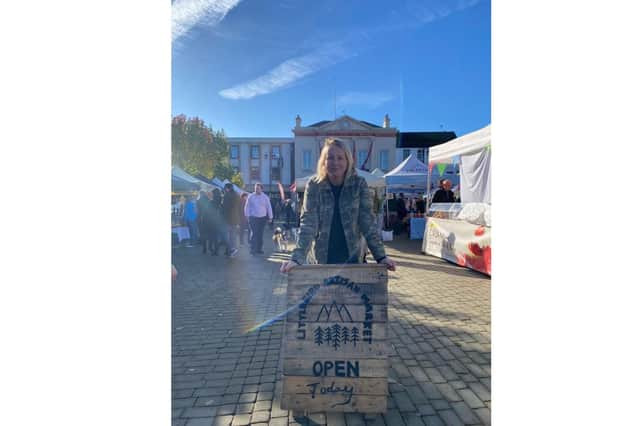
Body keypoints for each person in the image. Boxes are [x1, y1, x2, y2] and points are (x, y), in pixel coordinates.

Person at [280, 138, 396, 272]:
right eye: (330, 158)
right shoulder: (314, 185)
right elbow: (308, 224)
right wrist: (296, 258)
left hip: (352, 259)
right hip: (322, 259)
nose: (335, 162)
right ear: (323, 161)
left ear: (348, 161)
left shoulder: (359, 184)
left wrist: (381, 257)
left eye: (340, 158)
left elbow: (368, 223)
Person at [244, 183, 273, 255]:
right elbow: (247, 207)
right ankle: (253, 249)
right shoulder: (250, 196)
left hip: (262, 218)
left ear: (261, 189)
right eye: (255, 188)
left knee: (260, 234)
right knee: (254, 233)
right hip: (253, 218)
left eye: (258, 188)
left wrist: (270, 217)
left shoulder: (265, 197)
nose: (256, 190)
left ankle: (259, 249)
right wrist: (246, 215)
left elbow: (269, 207)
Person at [221, 183, 240, 257]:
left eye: (225, 188)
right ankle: (232, 249)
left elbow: (225, 208)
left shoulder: (227, 195)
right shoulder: (237, 195)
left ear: (227, 188)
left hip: (228, 218)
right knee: (233, 235)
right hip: (235, 218)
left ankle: (230, 250)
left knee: (227, 235)